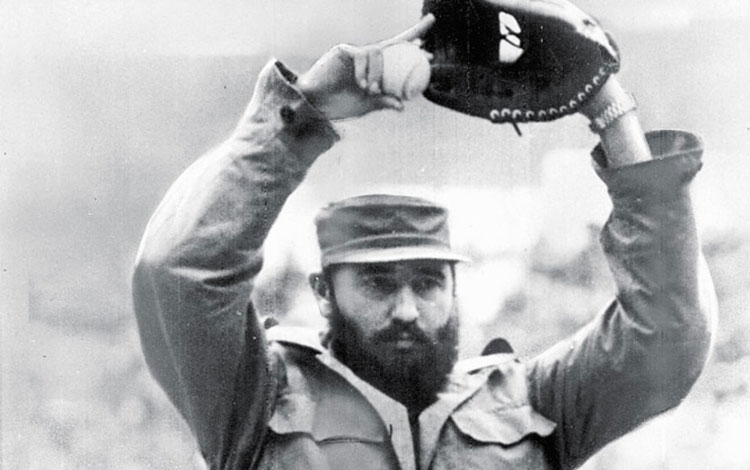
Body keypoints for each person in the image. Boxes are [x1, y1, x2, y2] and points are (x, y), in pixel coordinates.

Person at [132, 13, 716, 470]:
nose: (408, 309)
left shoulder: (532, 403)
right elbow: (178, 271)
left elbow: (668, 337)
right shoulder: (254, 405)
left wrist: (610, 109)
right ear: (324, 292)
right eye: (379, 283)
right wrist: (300, 115)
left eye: (430, 282)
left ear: (456, 287)